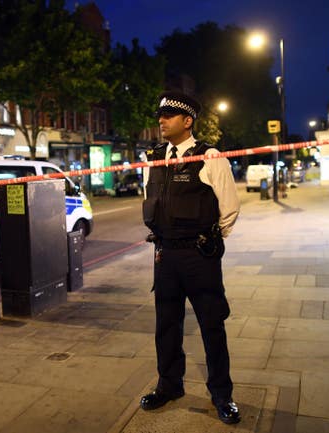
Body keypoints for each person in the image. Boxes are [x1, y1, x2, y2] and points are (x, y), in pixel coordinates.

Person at [140, 91, 241, 424]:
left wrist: (209, 239)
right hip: (164, 255)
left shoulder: (209, 156)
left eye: (169, 115)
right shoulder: (152, 157)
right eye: (160, 115)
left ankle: (222, 395)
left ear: (187, 121)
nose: (161, 120)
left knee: (212, 326)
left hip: (199, 256)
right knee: (166, 326)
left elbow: (229, 208)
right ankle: (169, 386)